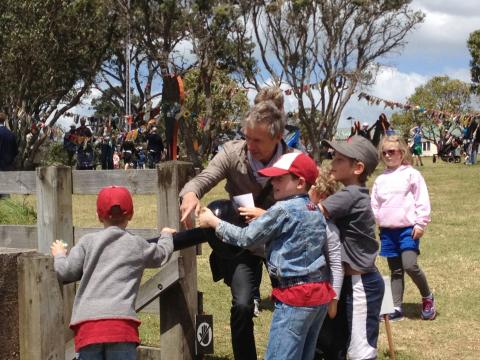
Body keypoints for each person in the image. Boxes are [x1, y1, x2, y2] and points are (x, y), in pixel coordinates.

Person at [179, 100, 292, 360]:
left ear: (277, 137)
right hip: (242, 242)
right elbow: (203, 178)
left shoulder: (293, 160)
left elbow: (310, 206)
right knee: (241, 305)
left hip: (280, 244)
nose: (250, 145)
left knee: (292, 305)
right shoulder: (233, 152)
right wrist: (190, 194)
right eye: (247, 137)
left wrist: (270, 218)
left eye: (257, 140)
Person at [198, 152, 336, 360]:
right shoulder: (314, 209)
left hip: (295, 297)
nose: (273, 182)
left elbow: (245, 238)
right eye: (273, 177)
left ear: (300, 182)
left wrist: (214, 222)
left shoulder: (282, 210)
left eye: (280, 178)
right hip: (318, 295)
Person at [51, 186, 174, 358]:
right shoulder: (136, 244)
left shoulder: (87, 242)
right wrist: (166, 236)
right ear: (131, 214)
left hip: (88, 326)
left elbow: (65, 271)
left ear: (99, 216)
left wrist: (59, 255)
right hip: (121, 326)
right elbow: (161, 255)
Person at [318, 135, 384, 360]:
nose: (332, 164)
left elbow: (310, 215)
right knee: (345, 345)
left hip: (361, 285)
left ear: (357, 167)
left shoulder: (351, 194)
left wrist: (266, 215)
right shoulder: (351, 193)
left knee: (360, 351)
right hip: (353, 282)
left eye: (338, 160)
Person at [371, 135, 436, 321]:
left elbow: (421, 199)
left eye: (391, 151)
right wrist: (373, 221)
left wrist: (421, 223)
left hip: (408, 229)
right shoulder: (380, 180)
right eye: (384, 152)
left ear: (401, 152)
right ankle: (396, 307)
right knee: (396, 271)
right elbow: (374, 205)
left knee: (410, 265)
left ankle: (427, 297)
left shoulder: (411, 174)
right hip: (387, 232)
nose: (387, 155)